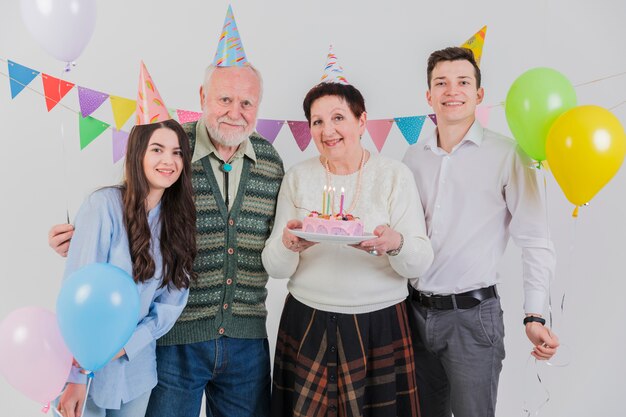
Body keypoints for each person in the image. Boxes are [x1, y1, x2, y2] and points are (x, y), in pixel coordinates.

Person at [50, 62, 284, 417]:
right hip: (176, 341)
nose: (235, 112)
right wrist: (79, 238)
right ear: (203, 97)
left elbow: (278, 241)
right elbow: (127, 208)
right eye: (225, 99)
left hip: (246, 338)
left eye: (247, 103)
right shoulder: (173, 145)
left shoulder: (270, 163)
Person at [402, 46, 560, 417]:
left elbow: (535, 239)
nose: (451, 91)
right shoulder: (412, 157)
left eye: (462, 82)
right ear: (429, 95)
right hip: (413, 313)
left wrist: (534, 315)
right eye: (441, 83)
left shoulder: (509, 156)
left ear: (479, 94)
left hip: (472, 318)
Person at [262, 81, 434, 417]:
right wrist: (289, 245)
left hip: (381, 323)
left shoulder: (394, 175)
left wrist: (395, 244)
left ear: (362, 121)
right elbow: (276, 267)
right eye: (317, 121)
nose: (328, 130)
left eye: (338, 117)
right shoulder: (298, 177)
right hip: (307, 321)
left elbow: (419, 261)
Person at [56, 117, 197, 417]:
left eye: (177, 152)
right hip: (86, 370)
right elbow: (77, 294)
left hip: (137, 372)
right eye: (157, 149)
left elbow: (170, 305)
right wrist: (77, 376)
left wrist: (126, 345)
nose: (168, 161)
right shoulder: (103, 206)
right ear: (137, 154)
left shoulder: (178, 221)